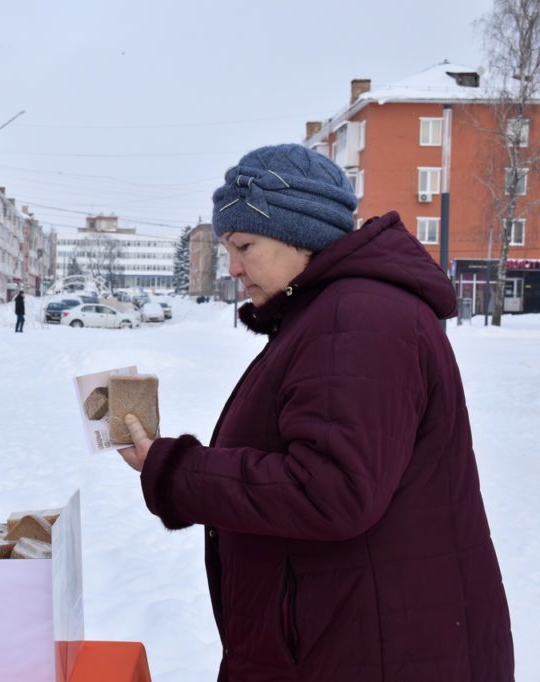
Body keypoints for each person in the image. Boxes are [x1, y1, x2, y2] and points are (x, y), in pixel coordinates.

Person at [119, 143, 514, 681]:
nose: (233, 267)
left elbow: (332, 490)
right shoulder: (332, 312)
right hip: (352, 635)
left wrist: (175, 470)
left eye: (245, 245)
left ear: (299, 233)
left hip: (369, 648)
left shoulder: (359, 317)